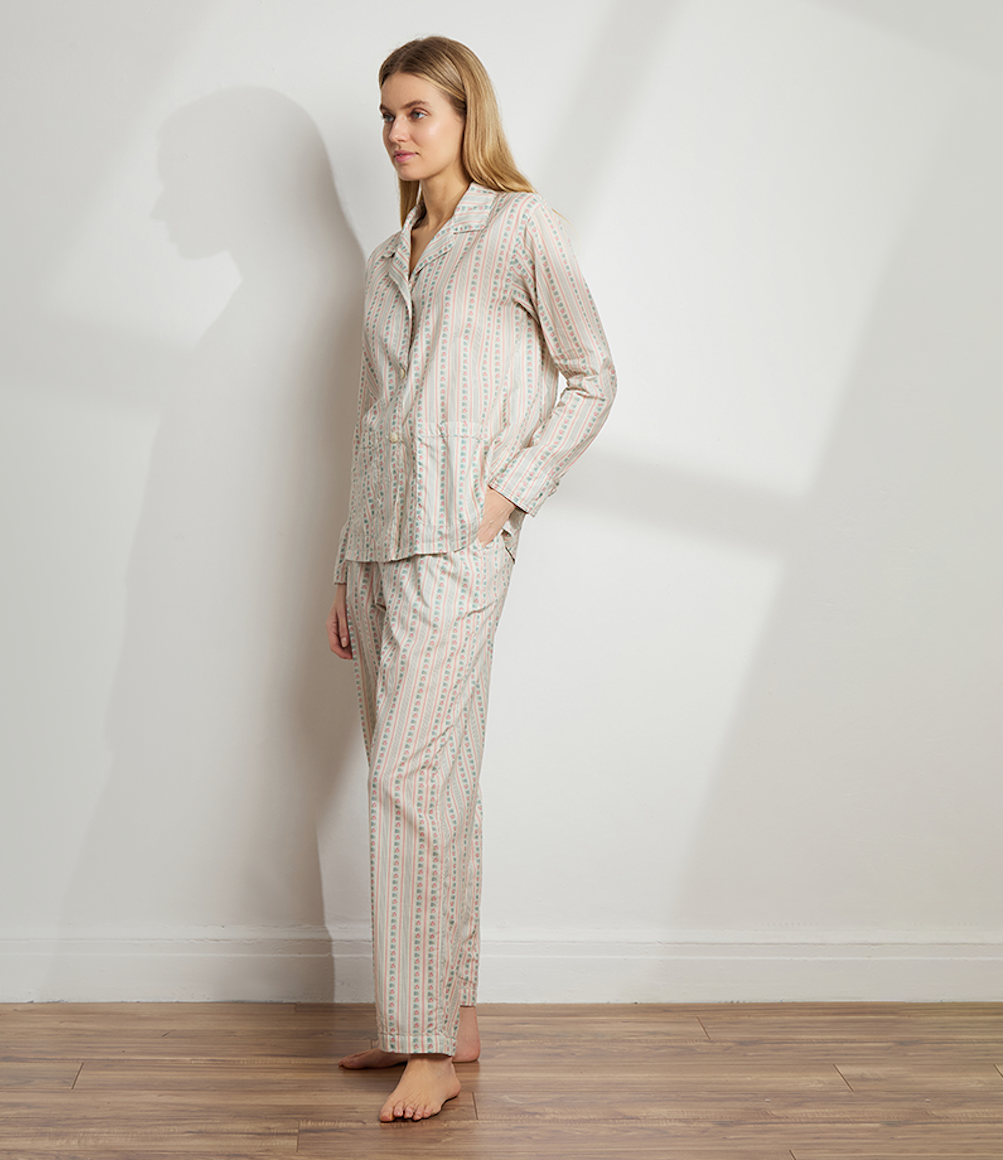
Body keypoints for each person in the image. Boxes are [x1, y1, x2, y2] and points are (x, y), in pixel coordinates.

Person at [326, 35, 615, 1123]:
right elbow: (371, 420)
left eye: (418, 112)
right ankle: (450, 1018)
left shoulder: (520, 228)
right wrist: (342, 563)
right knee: (431, 779)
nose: (397, 132)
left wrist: (508, 494)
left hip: (457, 543)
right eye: (387, 114)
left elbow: (592, 376)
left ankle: (423, 1045)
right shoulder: (385, 257)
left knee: (403, 779)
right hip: (377, 545)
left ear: (463, 116)